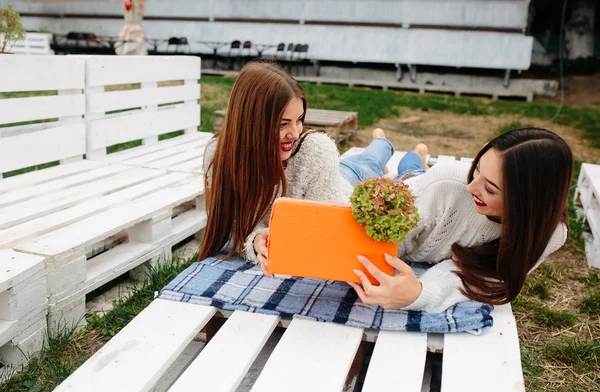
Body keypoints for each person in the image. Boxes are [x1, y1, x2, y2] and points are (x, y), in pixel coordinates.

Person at [198, 61, 395, 272]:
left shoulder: (316, 150)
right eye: (283, 124)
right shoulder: (218, 156)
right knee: (364, 162)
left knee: (370, 163)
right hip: (334, 170)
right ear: (252, 123)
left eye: (299, 120)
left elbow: (329, 230)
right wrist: (256, 242)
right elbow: (233, 226)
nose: (295, 132)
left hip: (344, 184)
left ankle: (382, 141)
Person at [348, 128, 572, 313]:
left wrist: (420, 293)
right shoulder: (449, 181)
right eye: (477, 170)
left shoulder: (549, 233)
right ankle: (392, 146)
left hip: (435, 192)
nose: (471, 187)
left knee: (415, 168)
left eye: (490, 188)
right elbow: (395, 238)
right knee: (407, 167)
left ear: (527, 202)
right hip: (416, 186)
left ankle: (421, 158)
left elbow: (487, 278)